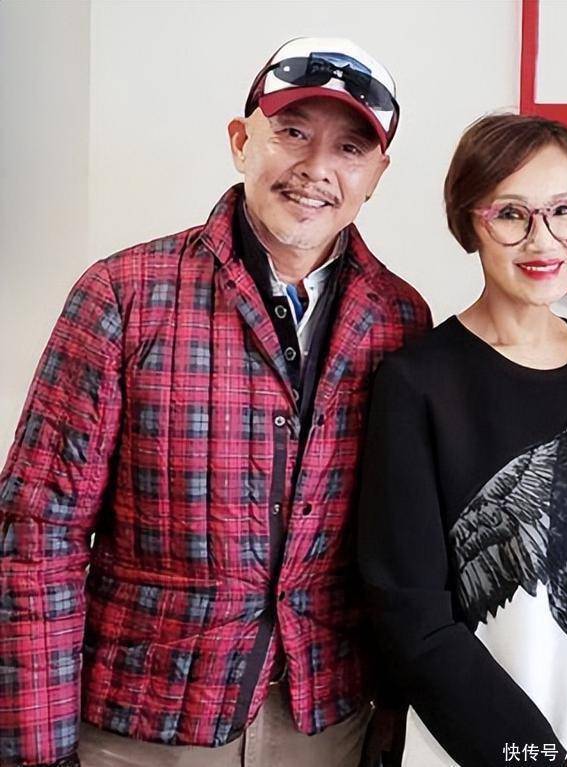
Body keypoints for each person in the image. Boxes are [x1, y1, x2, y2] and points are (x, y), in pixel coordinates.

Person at [0, 37, 431, 767]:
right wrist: (36, 752)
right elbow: (39, 535)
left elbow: (398, 550)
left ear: (377, 175)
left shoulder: (399, 319)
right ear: (241, 141)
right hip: (142, 723)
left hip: (324, 727)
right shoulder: (124, 295)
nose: (316, 168)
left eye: (350, 148)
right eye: (292, 131)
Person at [357, 114, 567, 767]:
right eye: (511, 214)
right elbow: (414, 624)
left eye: (565, 210)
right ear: (469, 223)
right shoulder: (416, 385)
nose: (543, 239)